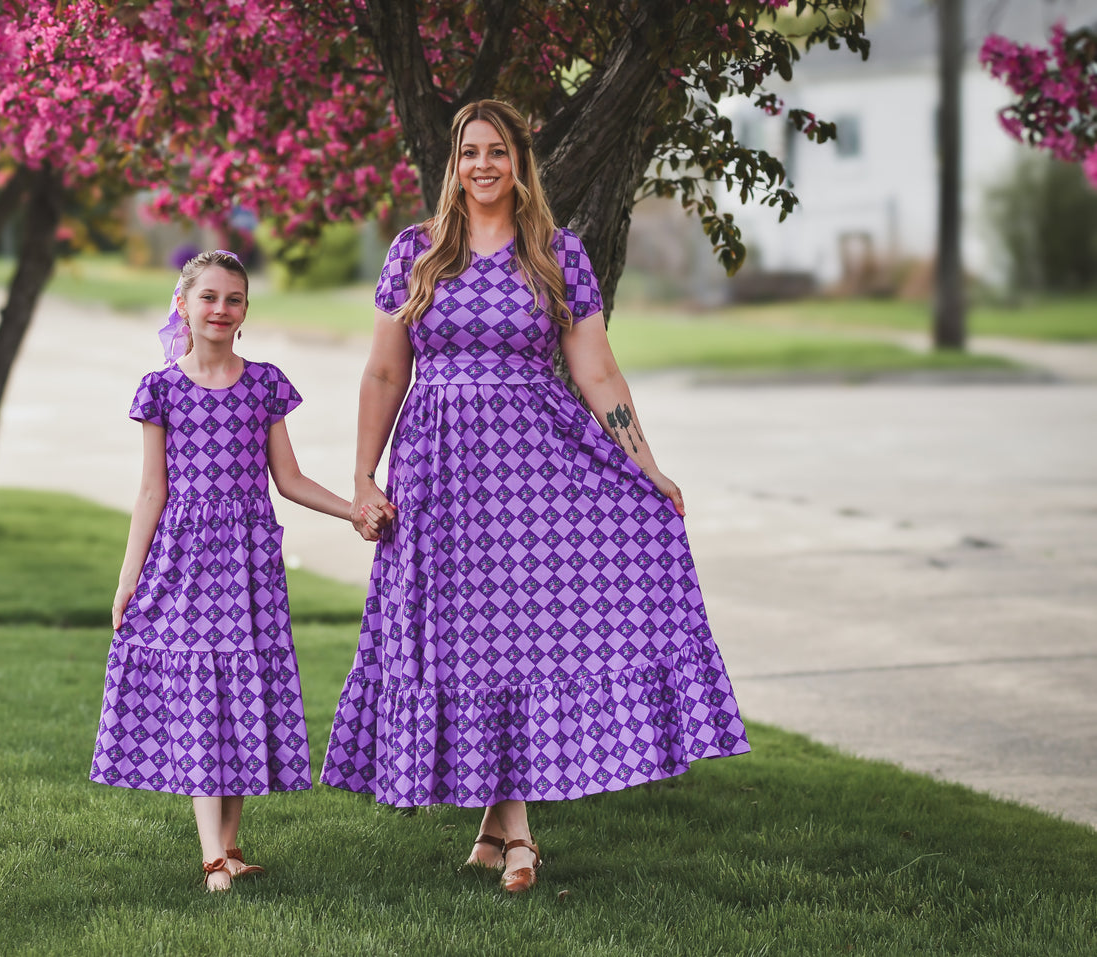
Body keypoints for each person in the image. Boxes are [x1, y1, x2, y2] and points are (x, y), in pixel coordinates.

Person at [321, 100, 751, 894]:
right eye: (468, 152)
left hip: (537, 478)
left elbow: (596, 371)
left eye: (496, 151)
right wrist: (362, 476)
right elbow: (385, 371)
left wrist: (644, 464)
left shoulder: (557, 254)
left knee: (513, 641)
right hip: (440, 472)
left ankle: (511, 831)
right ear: (454, 164)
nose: (481, 165)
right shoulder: (415, 254)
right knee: (467, 639)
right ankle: (501, 825)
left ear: (520, 162)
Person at [90, 250, 367, 892]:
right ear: (183, 304)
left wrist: (351, 509)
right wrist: (128, 578)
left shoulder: (265, 383)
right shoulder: (160, 389)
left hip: (250, 565)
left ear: (245, 312)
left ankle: (232, 846)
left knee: (244, 689)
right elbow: (151, 492)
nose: (221, 309)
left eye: (234, 299)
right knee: (199, 695)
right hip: (183, 565)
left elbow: (289, 479)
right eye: (209, 297)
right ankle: (212, 855)